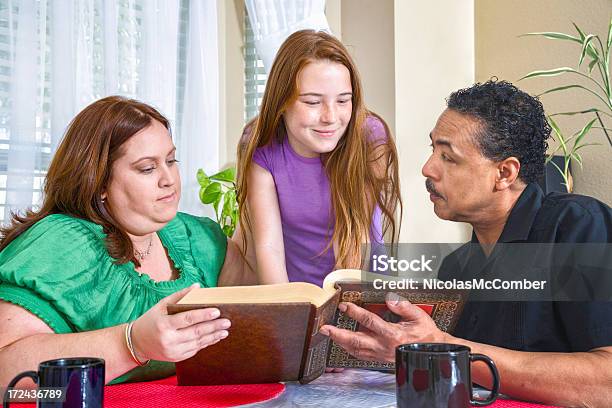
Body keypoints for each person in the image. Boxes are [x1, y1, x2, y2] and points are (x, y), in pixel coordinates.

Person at [320, 80, 612, 407]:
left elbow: (606, 384)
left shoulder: (578, 227)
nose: (428, 168)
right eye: (432, 150)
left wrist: (442, 347)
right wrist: (385, 348)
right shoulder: (455, 267)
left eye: (449, 157)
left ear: (504, 173)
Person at [0, 96, 255, 388]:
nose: (168, 179)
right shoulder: (62, 243)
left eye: (171, 161)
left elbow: (262, 301)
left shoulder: (193, 235)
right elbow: (5, 370)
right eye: (147, 168)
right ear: (99, 182)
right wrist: (132, 343)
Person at [236, 29, 402, 286]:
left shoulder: (369, 136)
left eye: (343, 100)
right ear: (281, 102)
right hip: (297, 295)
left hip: (361, 285)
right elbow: (269, 248)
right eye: (313, 102)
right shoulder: (261, 143)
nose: (330, 117)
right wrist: (289, 314)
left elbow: (357, 238)